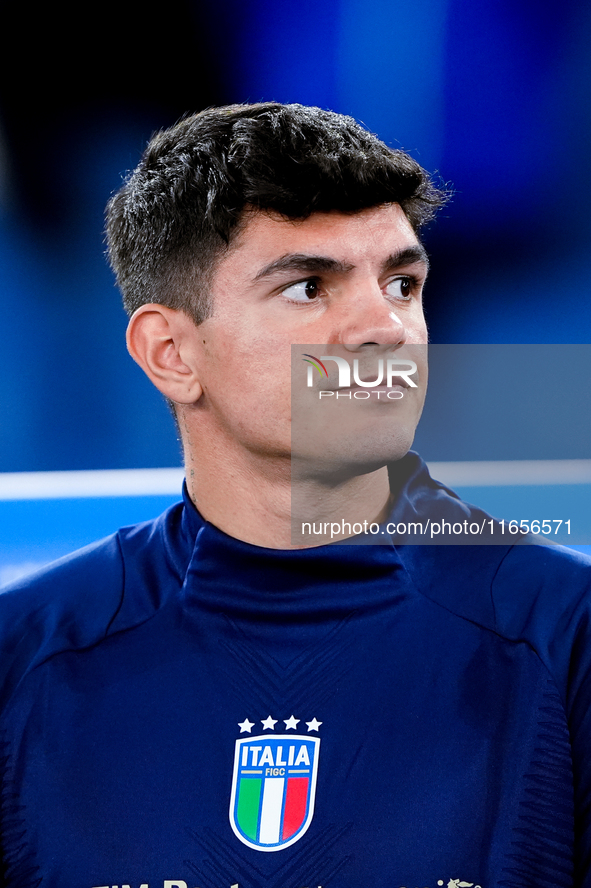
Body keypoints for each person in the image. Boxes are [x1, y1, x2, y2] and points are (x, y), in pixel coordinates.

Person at [0, 102, 589, 888]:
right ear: (170, 353)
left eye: (401, 283)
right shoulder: (25, 654)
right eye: (309, 287)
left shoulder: (567, 634)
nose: (383, 328)